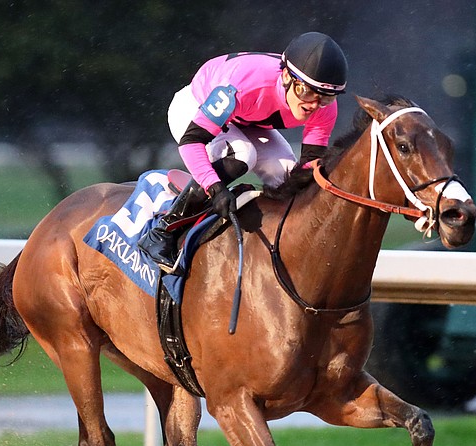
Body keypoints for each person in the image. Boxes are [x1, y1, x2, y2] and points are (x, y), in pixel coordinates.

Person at [137, 31, 349, 272]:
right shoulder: (245, 85)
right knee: (243, 154)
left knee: (288, 175)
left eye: (326, 98)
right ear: (287, 77)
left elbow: (310, 163)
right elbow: (190, 142)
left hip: (245, 118)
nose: (314, 105)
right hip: (195, 105)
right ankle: (163, 231)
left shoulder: (325, 108)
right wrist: (216, 190)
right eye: (307, 92)